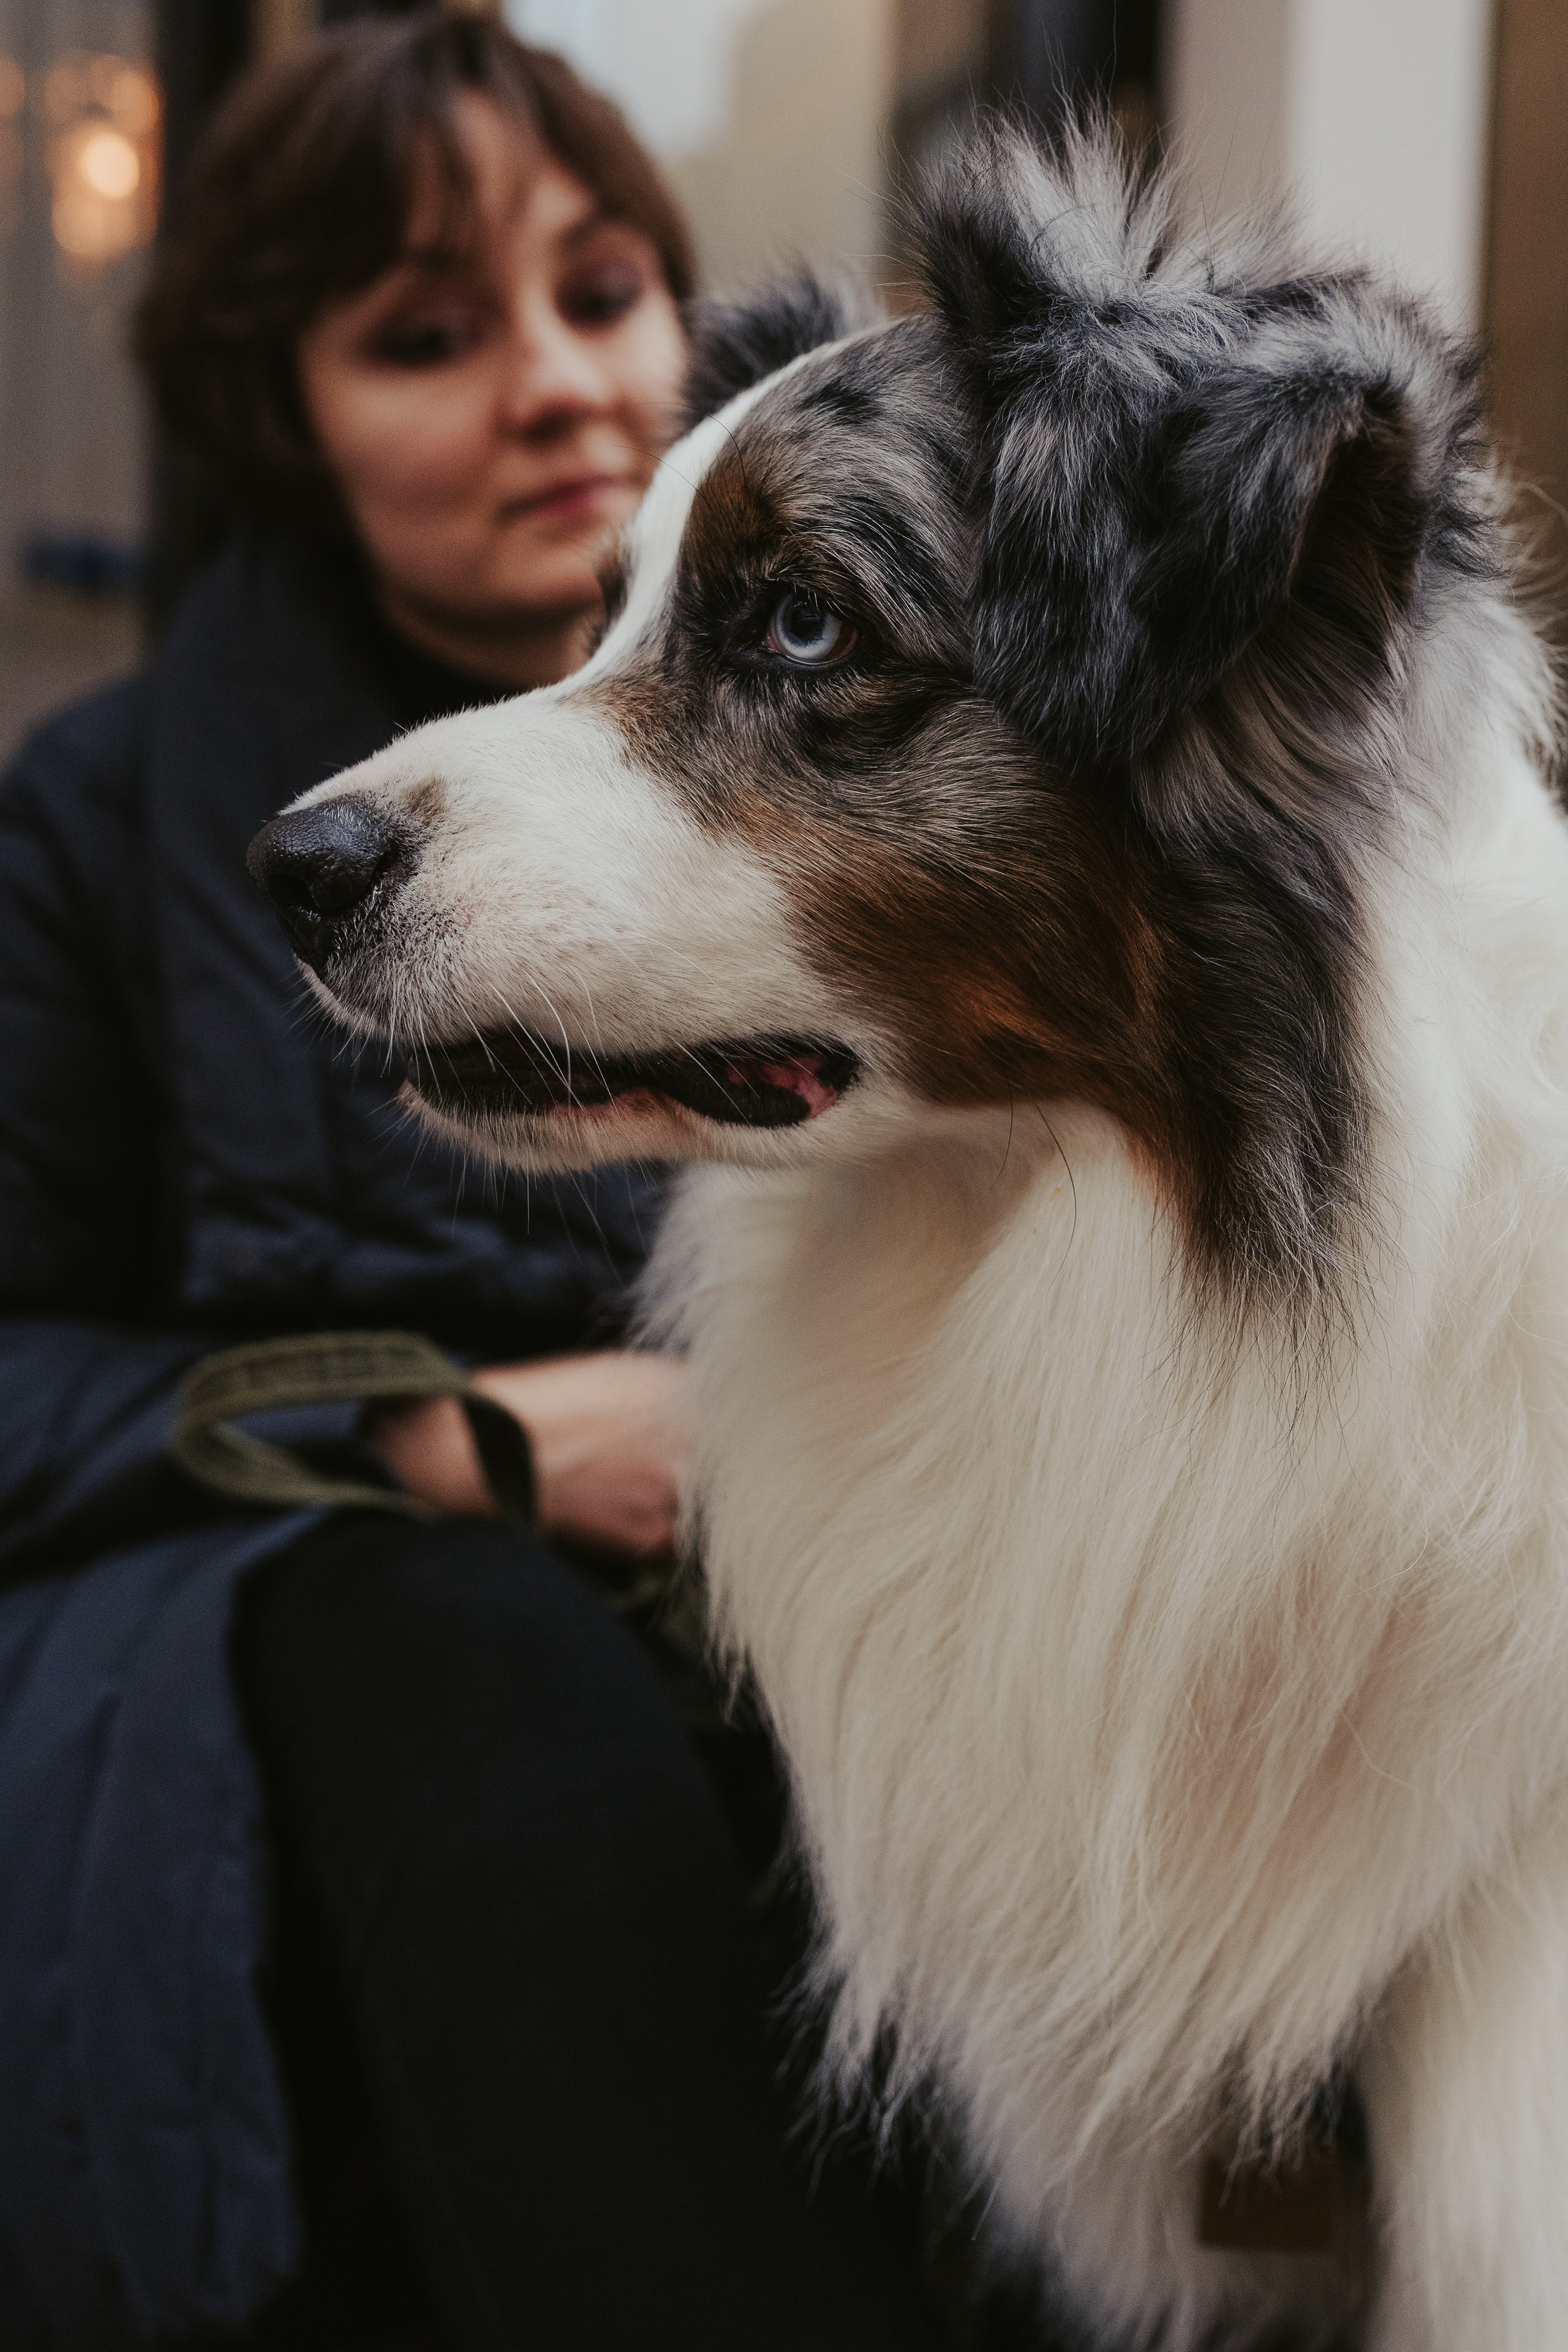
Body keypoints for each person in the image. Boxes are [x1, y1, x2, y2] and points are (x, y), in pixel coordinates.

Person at [0, 17, 948, 2350]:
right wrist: (466, 1441)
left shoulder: (898, 784)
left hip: (824, 1595)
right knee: (450, 1633)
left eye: (603, 290)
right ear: (282, 414)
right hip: (302, 1633)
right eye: (425, 333)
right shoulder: (102, 819)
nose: (552, 381)